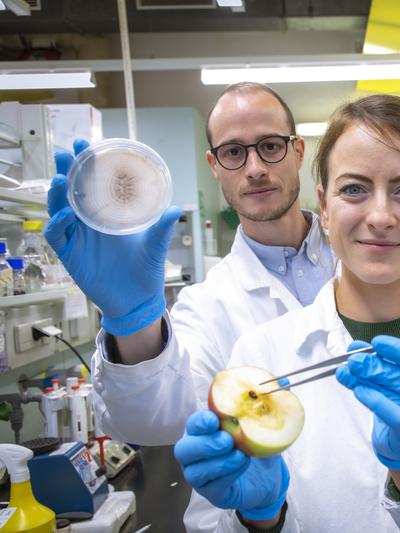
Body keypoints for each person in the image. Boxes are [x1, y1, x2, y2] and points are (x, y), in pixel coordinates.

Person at [173, 94, 400, 532]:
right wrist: (259, 518)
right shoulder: (260, 354)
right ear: (325, 207)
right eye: (354, 189)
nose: (380, 215)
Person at [44, 82, 336, 445]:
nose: (255, 168)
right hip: (269, 500)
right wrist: (132, 320)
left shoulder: (365, 261)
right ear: (214, 165)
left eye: (271, 146)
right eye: (233, 152)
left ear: (298, 151)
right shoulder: (207, 305)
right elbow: (154, 422)